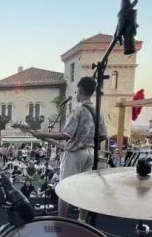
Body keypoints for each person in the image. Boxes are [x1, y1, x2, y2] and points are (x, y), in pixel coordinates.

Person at [30, 76, 106, 220]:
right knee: (85, 188)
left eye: (76, 91)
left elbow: (66, 135)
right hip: (91, 153)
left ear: (80, 90)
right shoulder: (98, 112)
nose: (76, 94)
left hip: (75, 154)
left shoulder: (78, 110)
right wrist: (88, 142)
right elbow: (103, 135)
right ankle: (82, 220)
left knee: (65, 187)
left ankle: (61, 221)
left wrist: (42, 134)